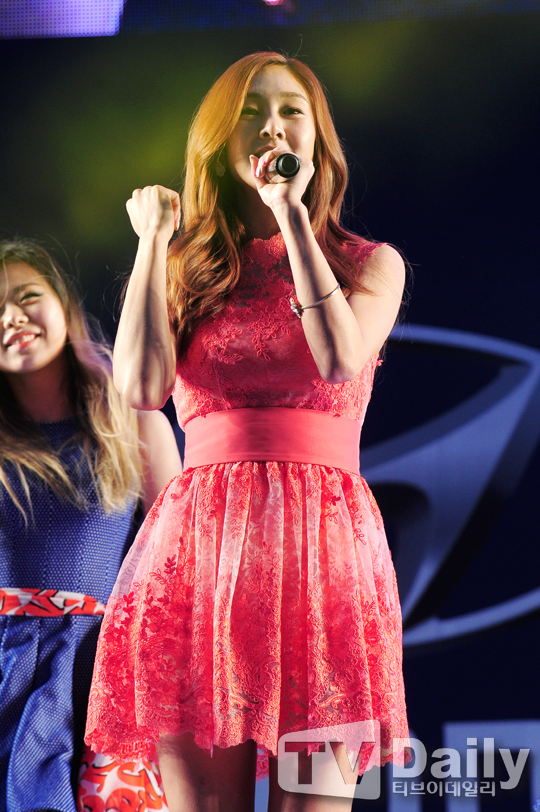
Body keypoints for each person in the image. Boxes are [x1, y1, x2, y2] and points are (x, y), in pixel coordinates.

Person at [85, 51, 408, 812]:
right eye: (251, 113)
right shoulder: (184, 268)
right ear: (219, 142)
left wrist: (291, 215)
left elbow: (339, 359)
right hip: (203, 552)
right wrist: (152, 244)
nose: (271, 126)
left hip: (323, 555)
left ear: (317, 139)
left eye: (291, 110)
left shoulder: (370, 266)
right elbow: (139, 389)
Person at [0, 239, 182, 812]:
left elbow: (180, 567)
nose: (11, 317)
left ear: (64, 305)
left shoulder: (134, 420)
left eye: (27, 296)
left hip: (97, 677)